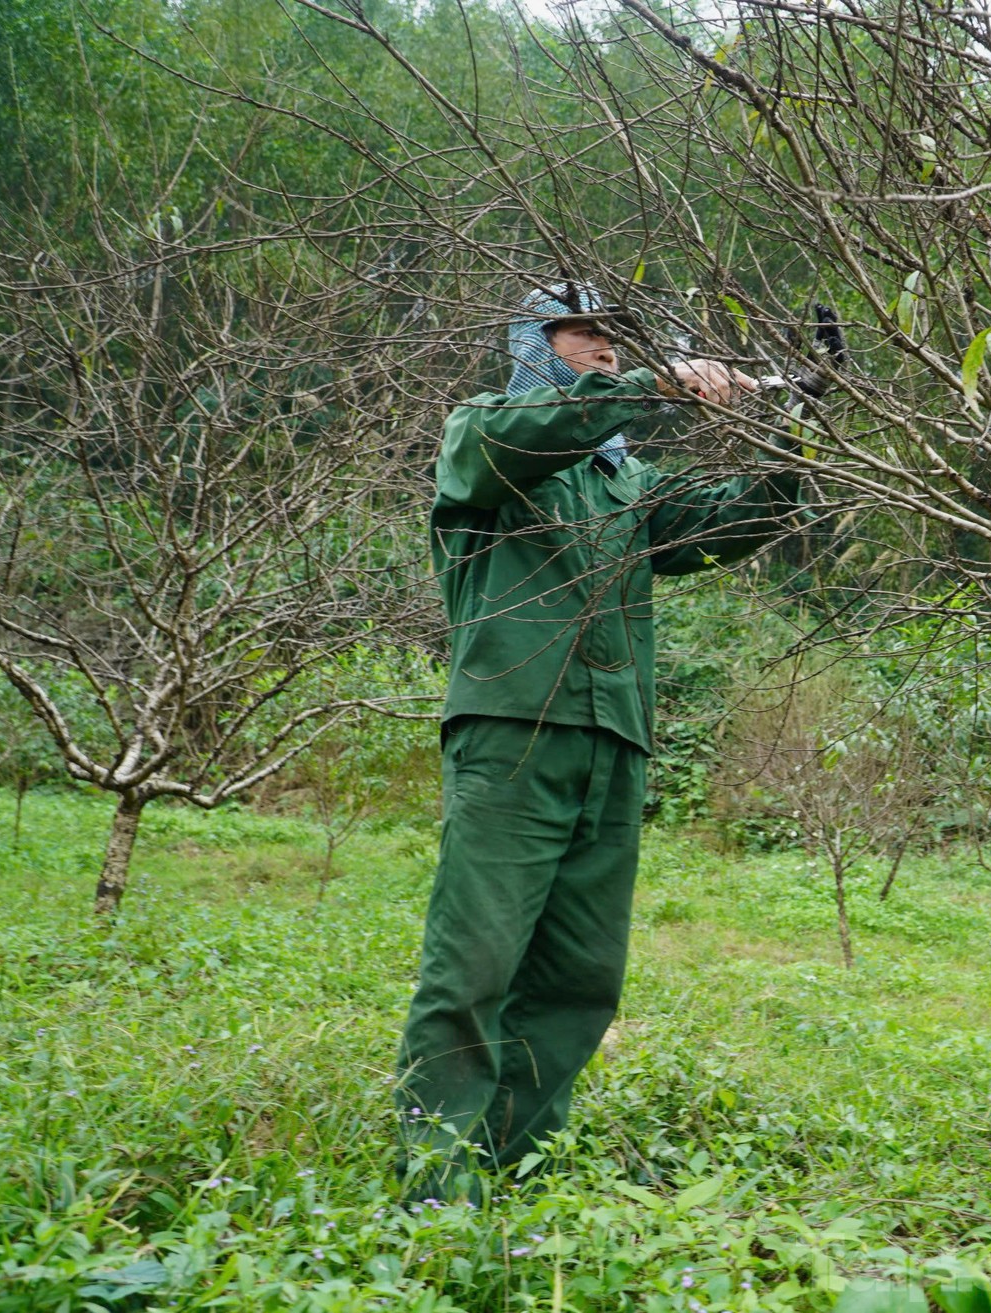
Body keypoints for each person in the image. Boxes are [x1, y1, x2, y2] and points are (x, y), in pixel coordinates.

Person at [396, 282, 792, 1199]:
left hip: (612, 744)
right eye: (586, 332)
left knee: (580, 976)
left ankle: (519, 1169)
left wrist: (795, 442)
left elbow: (740, 521)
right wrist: (659, 384)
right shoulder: (482, 435)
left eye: (620, 337)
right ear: (533, 341)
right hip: (513, 739)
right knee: (475, 967)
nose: (608, 348)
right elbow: (524, 441)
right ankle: (436, 1191)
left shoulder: (625, 482)